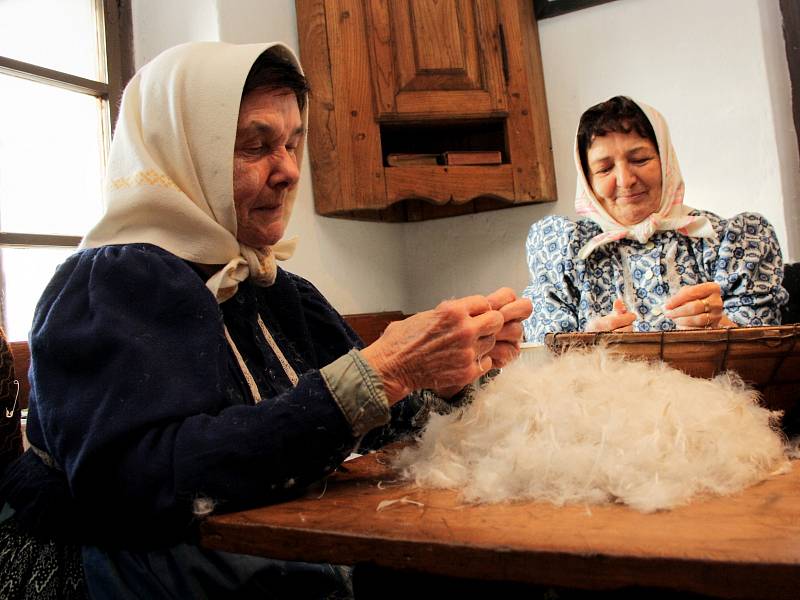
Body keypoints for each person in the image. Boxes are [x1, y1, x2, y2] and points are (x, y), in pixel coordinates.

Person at [0, 41, 531, 598]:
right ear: (178, 151)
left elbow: (357, 416)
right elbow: (138, 485)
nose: (287, 172)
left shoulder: (276, 289)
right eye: (255, 146)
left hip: (255, 558)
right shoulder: (109, 283)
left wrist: (443, 377)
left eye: (293, 143)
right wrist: (388, 368)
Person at [522, 96, 788, 344]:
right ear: (588, 180)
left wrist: (722, 327)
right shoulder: (565, 249)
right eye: (604, 168)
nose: (625, 180)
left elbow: (766, 355)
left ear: (666, 162)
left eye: (640, 159)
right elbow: (543, 356)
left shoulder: (730, 241)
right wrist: (587, 347)